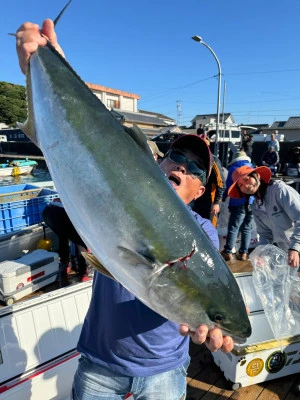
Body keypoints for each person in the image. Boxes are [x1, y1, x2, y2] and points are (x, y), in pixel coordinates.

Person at [16, 20, 234, 400]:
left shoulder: (203, 235)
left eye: (195, 168)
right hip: (100, 364)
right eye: (176, 157)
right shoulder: (126, 186)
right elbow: (94, 144)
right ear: (160, 165)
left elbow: (202, 292)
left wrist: (211, 319)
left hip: (164, 371)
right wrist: (48, 64)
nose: (182, 166)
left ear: (200, 190)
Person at [228, 165, 300, 269]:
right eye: (241, 185)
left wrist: (294, 248)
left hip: (295, 247)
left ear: (257, 175)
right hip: (288, 251)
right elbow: (265, 234)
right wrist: (261, 254)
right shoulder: (255, 205)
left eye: (246, 179)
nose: (246, 186)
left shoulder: (279, 190)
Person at [220, 151, 254, 262]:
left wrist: (224, 197)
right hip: (252, 201)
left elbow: (229, 185)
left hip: (238, 202)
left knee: (233, 228)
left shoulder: (234, 168)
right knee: (247, 228)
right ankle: (244, 253)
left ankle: (228, 252)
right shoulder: (252, 167)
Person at [192, 134, 225, 227]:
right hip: (197, 199)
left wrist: (216, 203)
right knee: (196, 225)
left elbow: (221, 183)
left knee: (209, 228)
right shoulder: (195, 159)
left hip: (210, 200)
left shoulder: (213, 160)